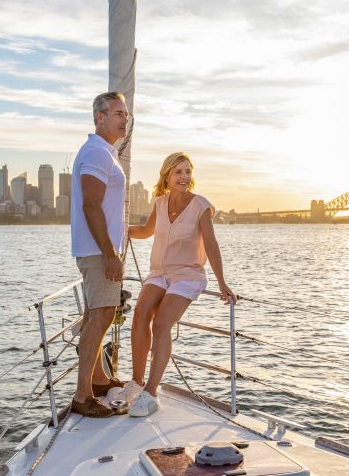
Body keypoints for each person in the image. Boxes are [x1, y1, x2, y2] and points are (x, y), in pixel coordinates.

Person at [125, 152, 235, 417]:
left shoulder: (201, 206)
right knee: (140, 314)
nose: (184, 177)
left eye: (187, 172)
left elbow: (211, 244)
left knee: (161, 324)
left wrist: (222, 283)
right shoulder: (160, 202)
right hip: (160, 272)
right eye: (178, 172)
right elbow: (146, 230)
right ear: (167, 176)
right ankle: (136, 382)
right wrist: (119, 228)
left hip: (187, 275)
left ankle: (151, 393)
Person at [70, 91, 129, 417]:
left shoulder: (105, 152)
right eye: (118, 113)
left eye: (125, 113)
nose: (125, 118)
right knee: (103, 315)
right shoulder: (96, 152)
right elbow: (90, 204)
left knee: (97, 315)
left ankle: (96, 379)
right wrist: (109, 253)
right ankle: (82, 397)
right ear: (99, 118)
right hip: (97, 250)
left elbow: (103, 206)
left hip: (98, 247)